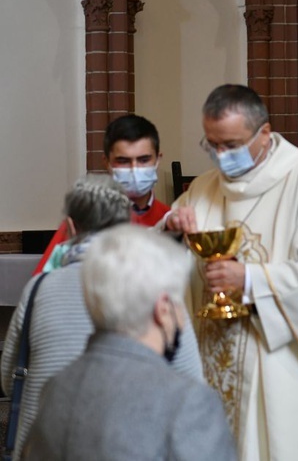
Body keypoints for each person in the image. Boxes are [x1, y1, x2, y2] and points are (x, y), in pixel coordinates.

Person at [163, 84, 298, 460]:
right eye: (211, 145)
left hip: (276, 368)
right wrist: (171, 229)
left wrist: (249, 280)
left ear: (264, 132)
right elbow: (153, 257)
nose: (220, 155)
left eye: (231, 144)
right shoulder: (204, 187)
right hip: (209, 359)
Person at [0, 175, 203, 461]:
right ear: (127, 227)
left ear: (70, 227)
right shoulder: (158, 289)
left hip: (44, 446)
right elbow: (191, 379)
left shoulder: (38, 289)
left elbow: (10, 379)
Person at [23, 224, 236, 461]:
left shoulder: (56, 387)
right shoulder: (188, 403)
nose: (183, 322)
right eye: (179, 304)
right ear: (163, 309)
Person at [33, 114, 170, 273]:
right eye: (123, 161)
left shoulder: (169, 219)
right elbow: (42, 281)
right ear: (107, 162)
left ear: (158, 159)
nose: (134, 169)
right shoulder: (84, 219)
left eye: (144, 160)